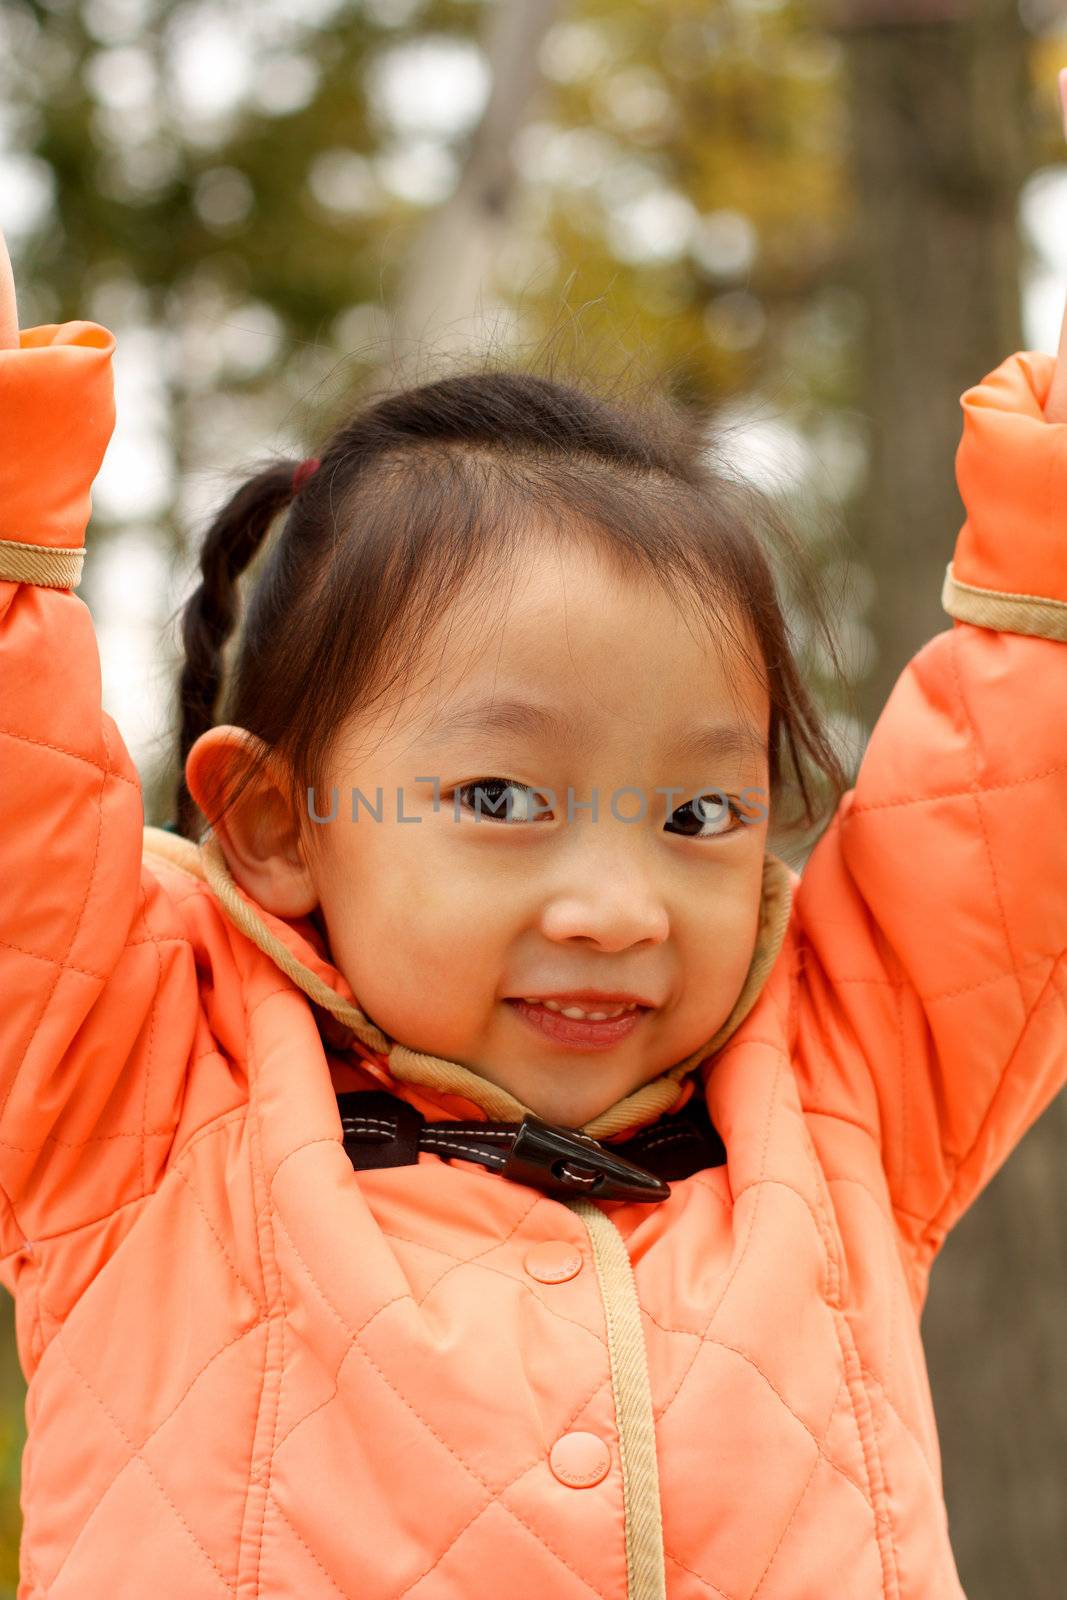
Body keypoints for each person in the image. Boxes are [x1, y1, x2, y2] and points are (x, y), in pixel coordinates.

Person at [1, 78, 1067, 1592]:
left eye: (702, 812)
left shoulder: (836, 1091)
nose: (620, 905)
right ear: (272, 820)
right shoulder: (143, 1094)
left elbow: (1024, 772)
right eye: (503, 801)